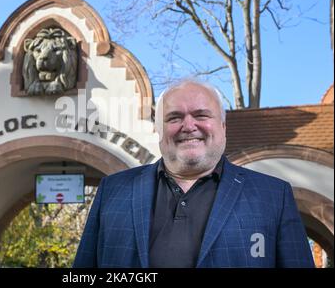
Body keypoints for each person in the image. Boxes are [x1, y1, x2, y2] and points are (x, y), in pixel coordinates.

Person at [73, 79, 314, 268]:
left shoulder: (272, 196)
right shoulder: (113, 191)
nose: (188, 126)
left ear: (223, 127)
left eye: (201, 115)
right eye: (174, 117)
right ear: (159, 130)